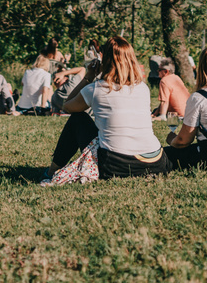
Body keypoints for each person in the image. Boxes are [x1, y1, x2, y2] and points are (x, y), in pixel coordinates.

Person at [44, 37, 171, 180]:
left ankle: (52, 171)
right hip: (156, 162)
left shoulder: (96, 89)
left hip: (116, 165)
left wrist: (88, 77)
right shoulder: (143, 88)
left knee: (77, 119)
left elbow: (67, 106)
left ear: (105, 60)